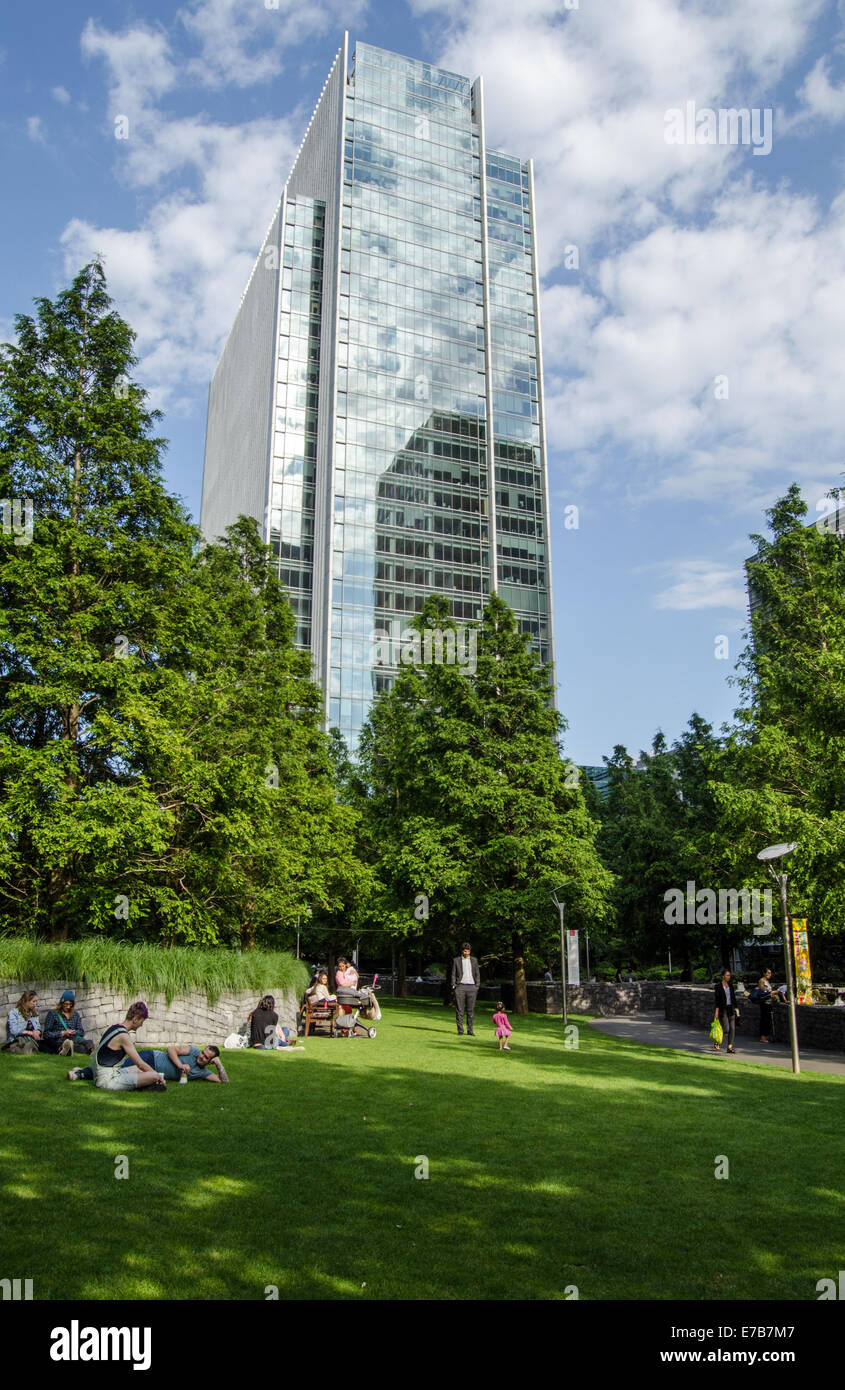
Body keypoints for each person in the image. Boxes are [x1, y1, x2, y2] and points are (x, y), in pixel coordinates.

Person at [91, 1002, 166, 1090]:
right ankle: (147, 1084)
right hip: (107, 1080)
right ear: (135, 1019)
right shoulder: (123, 1036)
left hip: (102, 1075)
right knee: (153, 1076)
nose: (141, 1025)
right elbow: (140, 1064)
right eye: (142, 1022)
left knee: (137, 1070)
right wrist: (158, 1076)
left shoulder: (114, 1028)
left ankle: (145, 1083)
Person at [43, 990, 93, 1057]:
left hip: (74, 1037)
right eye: (66, 1004)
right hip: (60, 1039)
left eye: (70, 1004)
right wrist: (62, 1033)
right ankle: (68, 1049)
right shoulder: (52, 1014)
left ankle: (92, 1050)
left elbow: (81, 1031)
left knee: (88, 1042)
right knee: (76, 1046)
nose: (68, 1007)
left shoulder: (75, 1014)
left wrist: (73, 1032)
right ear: (61, 1003)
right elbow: (46, 1034)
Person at [451, 942, 480, 1036]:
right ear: (462, 951)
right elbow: (453, 974)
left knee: (470, 1010)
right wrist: (454, 986)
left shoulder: (474, 960)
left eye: (468, 951)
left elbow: (477, 973)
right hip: (460, 987)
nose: (467, 953)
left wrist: (477, 986)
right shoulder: (456, 960)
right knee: (460, 1010)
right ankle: (460, 1030)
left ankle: (470, 1030)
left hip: (472, 987)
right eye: (465, 951)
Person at [714, 969, 740, 1054]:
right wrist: (717, 1011)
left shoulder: (730, 985)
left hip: (731, 1008)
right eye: (727, 975)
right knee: (726, 1029)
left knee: (732, 1028)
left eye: (729, 975)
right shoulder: (718, 986)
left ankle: (729, 1047)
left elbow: (733, 998)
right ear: (723, 976)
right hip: (723, 1009)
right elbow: (717, 1000)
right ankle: (718, 1041)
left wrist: (736, 1008)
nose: (729, 977)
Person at [754, 973, 775, 1043]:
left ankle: (767, 1035)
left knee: (768, 1020)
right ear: (764, 973)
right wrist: (772, 992)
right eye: (768, 973)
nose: (770, 974)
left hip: (769, 1002)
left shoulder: (767, 981)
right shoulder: (762, 981)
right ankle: (763, 1037)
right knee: (764, 1019)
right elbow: (763, 992)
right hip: (764, 1003)